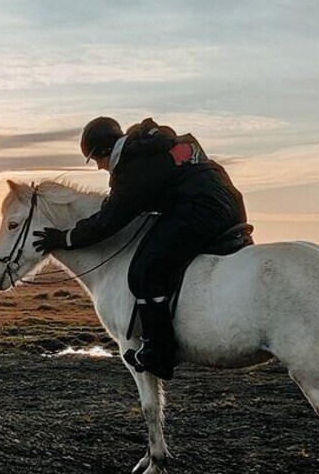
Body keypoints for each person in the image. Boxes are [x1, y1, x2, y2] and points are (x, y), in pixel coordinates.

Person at [32, 116, 248, 380]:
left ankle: (160, 352)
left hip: (200, 211)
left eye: (97, 160)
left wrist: (65, 239)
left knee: (145, 270)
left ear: (103, 151)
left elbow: (109, 220)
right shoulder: (151, 147)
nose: (100, 167)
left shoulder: (133, 164)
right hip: (231, 206)